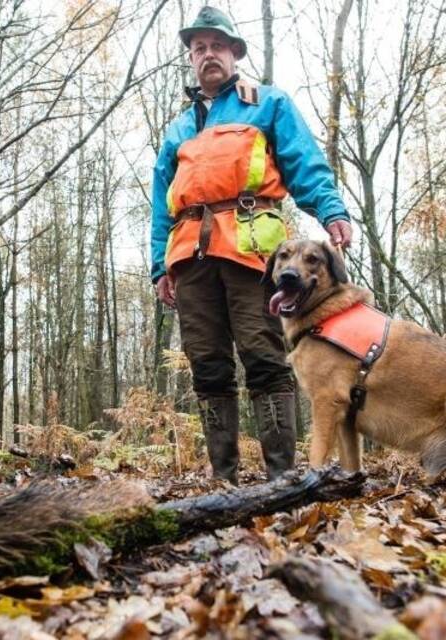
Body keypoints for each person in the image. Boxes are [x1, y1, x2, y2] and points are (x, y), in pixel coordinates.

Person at [150, 6, 352, 484]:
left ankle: (282, 478)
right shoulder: (179, 128)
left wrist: (332, 210)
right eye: (199, 48)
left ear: (235, 53)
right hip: (190, 258)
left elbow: (305, 162)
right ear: (192, 59)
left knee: (263, 357)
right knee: (207, 365)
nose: (208, 55)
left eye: (217, 46)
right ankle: (224, 480)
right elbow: (162, 203)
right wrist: (160, 266)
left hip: (252, 255)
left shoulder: (267, 103)